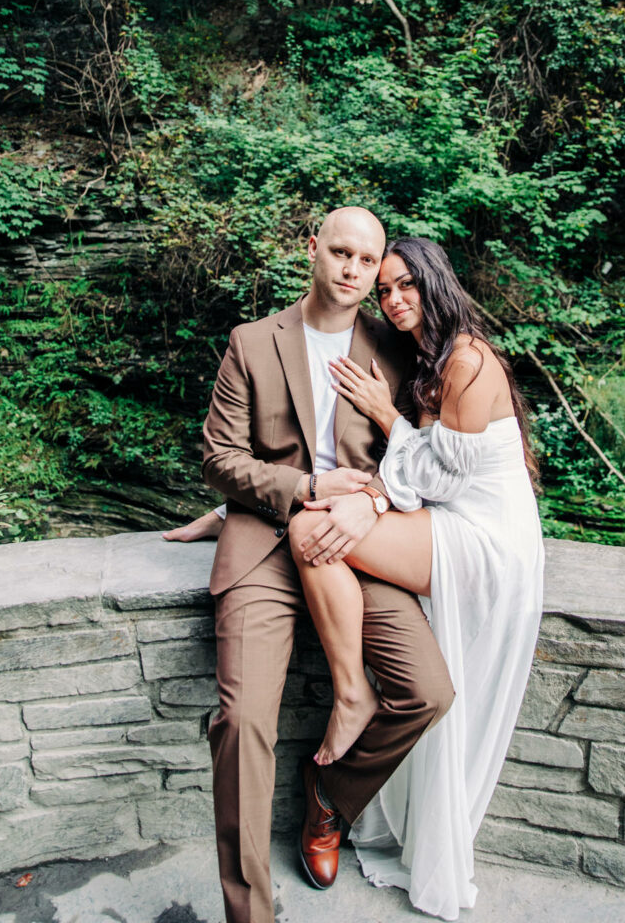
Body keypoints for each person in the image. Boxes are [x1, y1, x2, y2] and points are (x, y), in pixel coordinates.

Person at [164, 208, 454, 923]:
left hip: (353, 549)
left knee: (427, 692)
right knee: (242, 722)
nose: (354, 270)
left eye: (368, 259)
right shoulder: (252, 342)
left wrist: (376, 497)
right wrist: (305, 488)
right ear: (312, 249)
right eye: (341, 252)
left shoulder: (395, 347)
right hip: (266, 542)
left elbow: (427, 452)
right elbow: (219, 459)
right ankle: (250, 914)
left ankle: (330, 802)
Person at [286, 235, 544, 920]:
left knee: (313, 529)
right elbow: (426, 471)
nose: (395, 301)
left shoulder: (464, 359)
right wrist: (376, 483)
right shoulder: (438, 355)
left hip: (484, 541)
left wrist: (382, 415)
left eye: (407, 286)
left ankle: (351, 702)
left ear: (436, 283)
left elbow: (433, 475)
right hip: (456, 522)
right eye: (386, 291)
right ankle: (353, 706)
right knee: (322, 525)